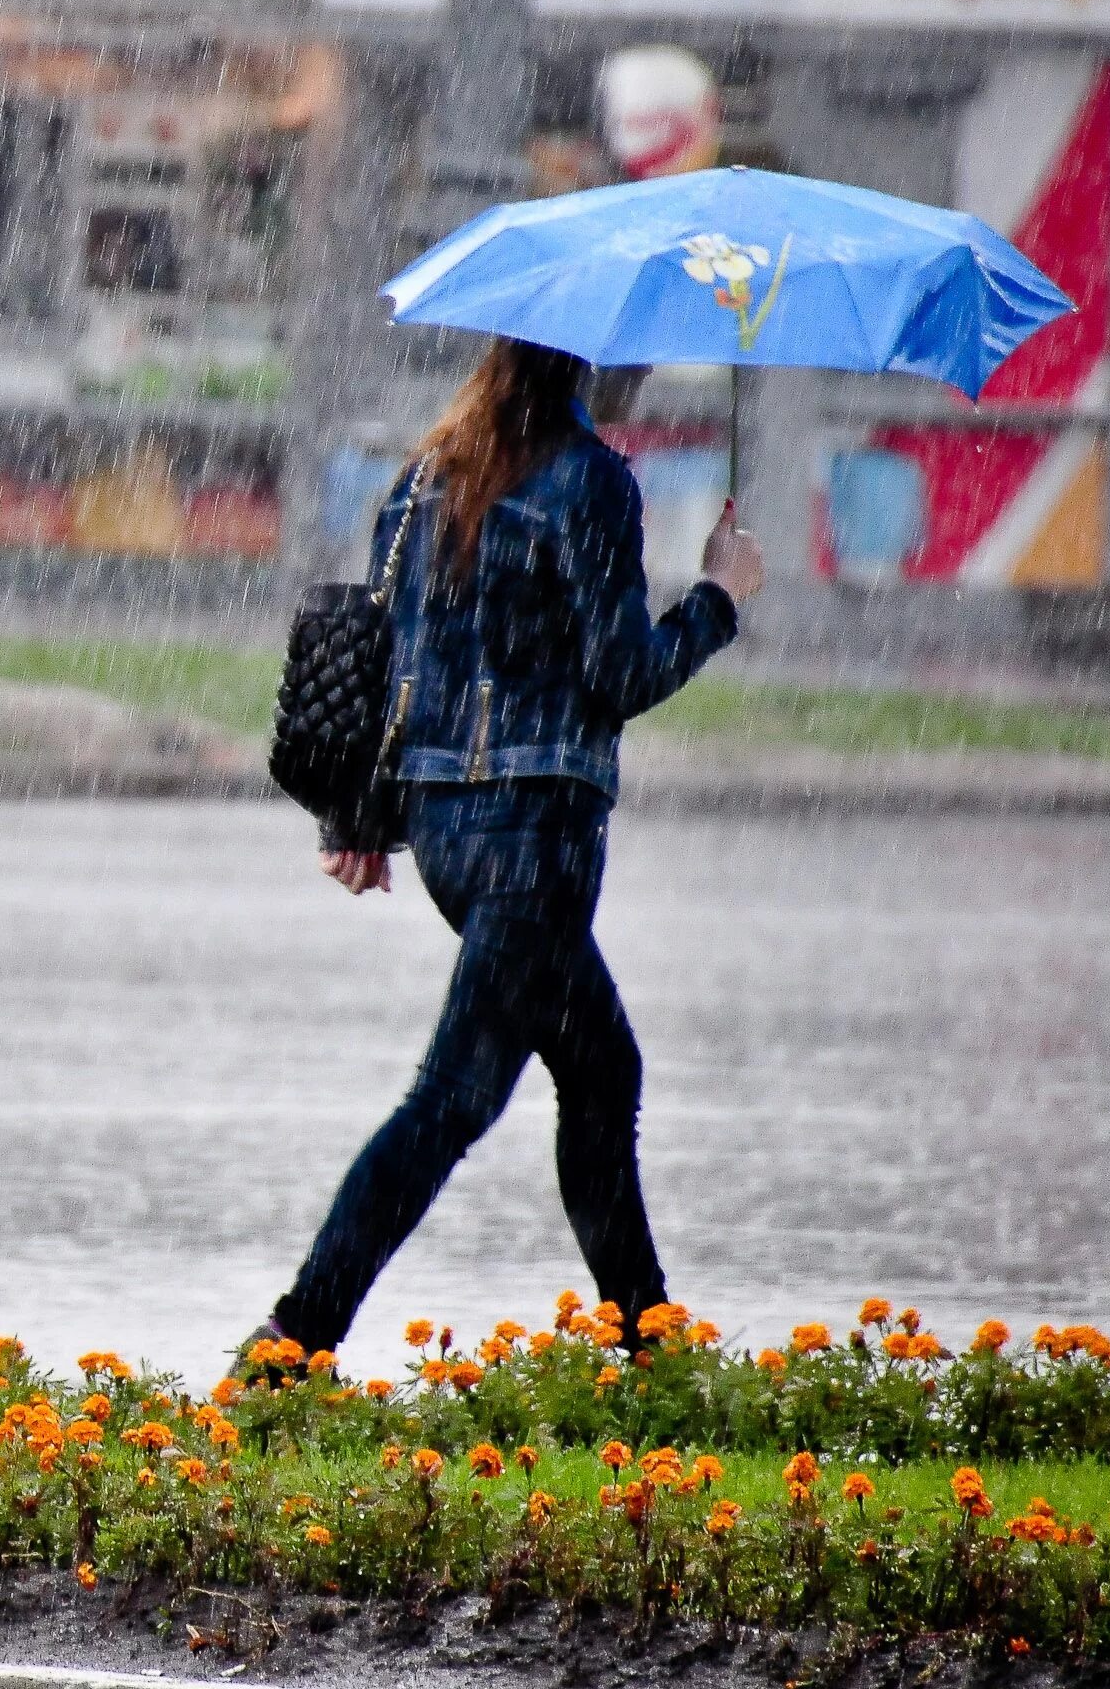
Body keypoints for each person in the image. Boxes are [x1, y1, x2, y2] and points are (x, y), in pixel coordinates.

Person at [249, 338, 764, 1365]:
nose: (645, 378)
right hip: (540, 844)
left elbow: (396, 671)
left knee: (604, 1069)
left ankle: (650, 1345)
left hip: (448, 838)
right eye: (636, 365)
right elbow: (622, 674)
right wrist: (719, 599)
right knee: (451, 1102)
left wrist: (359, 820)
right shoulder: (593, 483)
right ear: (599, 368)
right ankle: (290, 1340)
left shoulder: (422, 479)